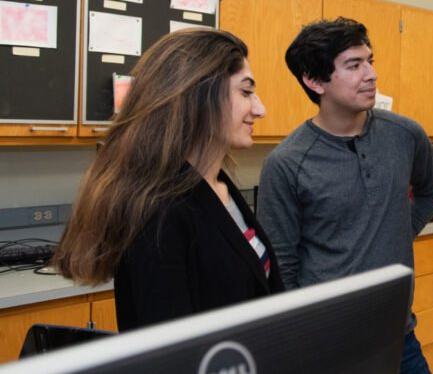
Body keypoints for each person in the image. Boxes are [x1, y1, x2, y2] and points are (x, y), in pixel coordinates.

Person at [257, 17, 433, 374]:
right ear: (315, 79)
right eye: (353, 64)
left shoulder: (404, 134)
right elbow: (281, 268)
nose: (371, 74)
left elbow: (432, 190)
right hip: (328, 352)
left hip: (399, 340)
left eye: (371, 60)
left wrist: (400, 230)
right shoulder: (287, 163)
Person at [53, 29, 281, 330]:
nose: (260, 109)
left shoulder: (219, 186)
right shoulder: (160, 211)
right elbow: (169, 351)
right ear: (200, 96)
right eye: (246, 91)